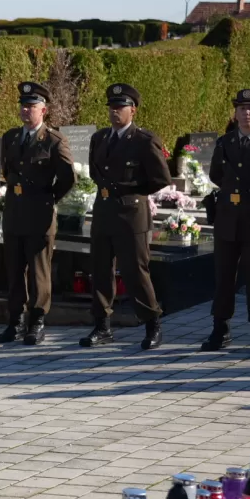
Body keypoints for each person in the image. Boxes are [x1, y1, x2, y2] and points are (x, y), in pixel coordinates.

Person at [83, 84, 171, 350]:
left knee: (135, 272)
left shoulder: (144, 140)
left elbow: (160, 178)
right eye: (111, 107)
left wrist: (134, 194)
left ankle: (152, 322)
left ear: (132, 110)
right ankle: (102, 325)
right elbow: (95, 173)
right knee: (100, 271)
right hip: (104, 212)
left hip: (132, 215)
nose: (114, 112)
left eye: (120, 107)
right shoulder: (99, 138)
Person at [0, 82, 76, 345]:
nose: (25, 110)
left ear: (44, 110)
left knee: (39, 270)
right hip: (15, 213)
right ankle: (16, 321)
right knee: (15, 269)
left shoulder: (53, 140)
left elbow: (67, 178)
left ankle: (37, 320)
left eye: (31, 106)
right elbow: (8, 172)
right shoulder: (10, 137)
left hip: (39, 215)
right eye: (23, 105)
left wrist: (49, 198)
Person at [201, 89, 250, 353]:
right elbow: (216, 175)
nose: (246, 113)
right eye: (241, 108)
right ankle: (220, 329)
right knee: (224, 277)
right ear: (235, 113)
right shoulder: (225, 142)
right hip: (228, 219)